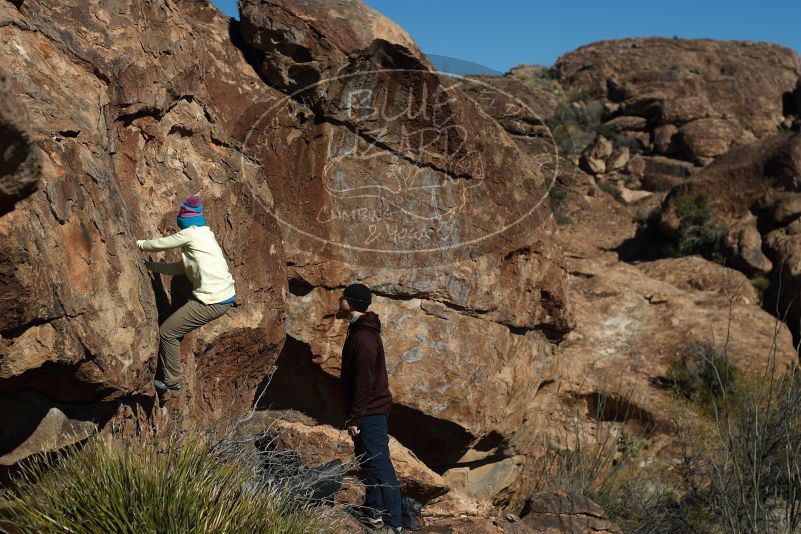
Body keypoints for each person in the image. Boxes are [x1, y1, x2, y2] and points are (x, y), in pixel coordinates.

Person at [136, 195, 236, 391]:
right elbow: (182, 268)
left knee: (166, 333)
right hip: (222, 295)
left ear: (185, 221)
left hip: (212, 301)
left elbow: (161, 244)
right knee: (180, 281)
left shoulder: (190, 234)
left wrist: (137, 245)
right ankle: (177, 318)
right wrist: (153, 267)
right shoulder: (205, 234)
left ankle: (172, 381)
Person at [338, 283, 402, 533]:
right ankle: (374, 513)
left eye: (342, 297)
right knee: (368, 462)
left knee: (380, 465)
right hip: (369, 411)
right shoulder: (360, 330)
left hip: (370, 412)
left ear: (350, 303)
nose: (339, 300)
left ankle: (394, 522)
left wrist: (356, 417)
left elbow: (363, 381)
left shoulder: (363, 337)